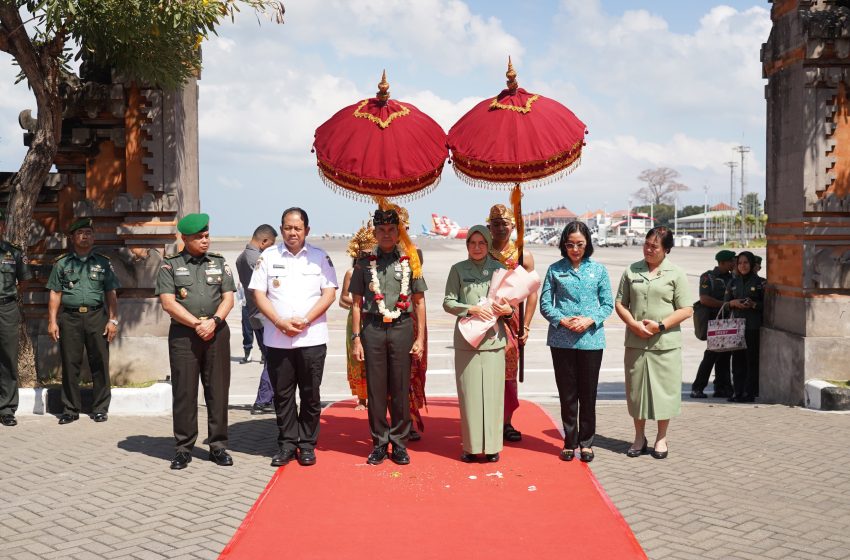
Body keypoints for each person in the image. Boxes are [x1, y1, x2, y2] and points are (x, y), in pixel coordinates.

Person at [250, 207, 337, 468]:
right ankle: (287, 443)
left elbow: (329, 293)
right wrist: (279, 321)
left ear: (307, 230)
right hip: (278, 338)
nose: (292, 232)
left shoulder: (320, 257)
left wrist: (307, 319)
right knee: (283, 395)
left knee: (310, 394)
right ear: (281, 229)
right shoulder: (268, 256)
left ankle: (307, 444)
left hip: (311, 338)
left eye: (297, 228)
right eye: (288, 227)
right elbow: (259, 293)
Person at [155, 213, 236, 470]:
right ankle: (183, 448)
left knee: (218, 390)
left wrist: (213, 322)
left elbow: (228, 298)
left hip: (217, 333)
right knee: (185, 392)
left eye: (207, 235)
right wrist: (197, 324)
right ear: (185, 238)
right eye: (199, 237)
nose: (205, 241)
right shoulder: (169, 266)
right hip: (184, 336)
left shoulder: (219, 263)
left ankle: (218, 446)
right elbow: (168, 303)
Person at [350, 206, 427, 466]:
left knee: (399, 388)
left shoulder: (410, 260)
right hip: (372, 329)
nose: (386, 234)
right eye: (381, 230)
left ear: (398, 232)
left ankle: (400, 443)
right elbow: (356, 303)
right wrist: (356, 339)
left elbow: (419, 302)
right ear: (374, 232)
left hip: (401, 328)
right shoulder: (363, 262)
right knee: (376, 390)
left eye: (391, 229)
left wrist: (420, 339)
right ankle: (380, 443)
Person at [615, 227, 692, 460]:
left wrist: (660, 325)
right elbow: (620, 303)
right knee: (636, 393)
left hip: (665, 344)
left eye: (654, 246)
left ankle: (661, 437)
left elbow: (686, 309)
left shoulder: (676, 273)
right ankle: (639, 437)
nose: (648, 249)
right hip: (636, 342)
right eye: (646, 244)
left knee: (664, 394)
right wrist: (633, 324)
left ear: (666, 249)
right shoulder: (631, 270)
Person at [539, 222, 613, 463]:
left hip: (591, 340)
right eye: (570, 244)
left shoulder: (599, 270)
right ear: (563, 244)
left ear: (588, 244)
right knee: (567, 393)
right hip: (562, 340)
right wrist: (562, 320)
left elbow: (607, 304)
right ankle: (570, 441)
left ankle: (587, 443)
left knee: (588, 393)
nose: (575, 249)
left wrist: (590, 320)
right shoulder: (554, 270)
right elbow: (545, 304)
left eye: (580, 244)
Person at [444, 225, 512, 462]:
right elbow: (448, 302)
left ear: (488, 245)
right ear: (467, 246)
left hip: (493, 341)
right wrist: (470, 308)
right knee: (469, 395)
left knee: (493, 395)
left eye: (481, 243)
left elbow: (510, 305)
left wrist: (507, 309)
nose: (477, 247)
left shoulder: (500, 270)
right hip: (467, 340)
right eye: (472, 243)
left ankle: (493, 447)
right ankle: (471, 447)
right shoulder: (458, 270)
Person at [46, 218, 120, 425]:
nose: (84, 236)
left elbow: (111, 294)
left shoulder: (103, 262)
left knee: (100, 362)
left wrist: (113, 320)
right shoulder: (62, 263)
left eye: (88, 232)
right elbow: (55, 294)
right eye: (80, 233)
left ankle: (100, 408)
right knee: (70, 363)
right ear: (72, 238)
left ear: (93, 237)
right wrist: (52, 321)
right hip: (69, 318)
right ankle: (70, 409)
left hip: (97, 317)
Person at [486, 204, 537, 443]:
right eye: (495, 224)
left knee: (508, 373)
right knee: (486, 369)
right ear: (489, 226)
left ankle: (506, 422)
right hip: (486, 316)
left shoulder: (522, 254)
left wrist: (525, 326)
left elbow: (532, 291)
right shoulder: (482, 250)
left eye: (504, 223)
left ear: (512, 226)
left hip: (512, 318)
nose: (500, 228)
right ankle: (486, 420)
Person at [234, 224, 277, 414]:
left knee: (271, 358)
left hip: (255, 314)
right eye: (271, 245)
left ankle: (271, 399)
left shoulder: (241, 257)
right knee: (274, 359)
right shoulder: (257, 259)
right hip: (264, 315)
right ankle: (263, 400)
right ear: (264, 241)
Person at [0, 211, 32, 427]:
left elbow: (25, 281)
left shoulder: (14, 253)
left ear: (3, 226)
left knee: (8, 359)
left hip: (7, 309)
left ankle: (7, 408)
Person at [339, 224, 376, 410]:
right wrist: (357, 303)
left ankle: (377, 396)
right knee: (357, 358)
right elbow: (343, 299)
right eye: (364, 253)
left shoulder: (378, 272)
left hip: (374, 319)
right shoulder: (351, 273)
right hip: (355, 320)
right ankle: (361, 399)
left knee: (375, 358)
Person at [690, 250, 736, 399]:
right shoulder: (708, 277)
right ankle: (697, 387)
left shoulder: (733, 277)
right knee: (711, 355)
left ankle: (722, 387)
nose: (734, 264)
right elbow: (704, 299)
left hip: (727, 321)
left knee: (725, 355)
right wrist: (726, 305)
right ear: (722, 262)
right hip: (714, 322)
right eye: (731, 261)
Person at [725, 251, 765, 403]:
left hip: (752, 327)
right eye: (740, 263)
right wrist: (733, 303)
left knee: (751, 361)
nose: (743, 266)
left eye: (746, 262)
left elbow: (766, 306)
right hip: (736, 326)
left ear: (752, 264)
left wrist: (754, 304)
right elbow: (726, 304)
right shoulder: (733, 283)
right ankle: (737, 392)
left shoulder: (760, 283)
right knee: (737, 361)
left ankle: (749, 392)